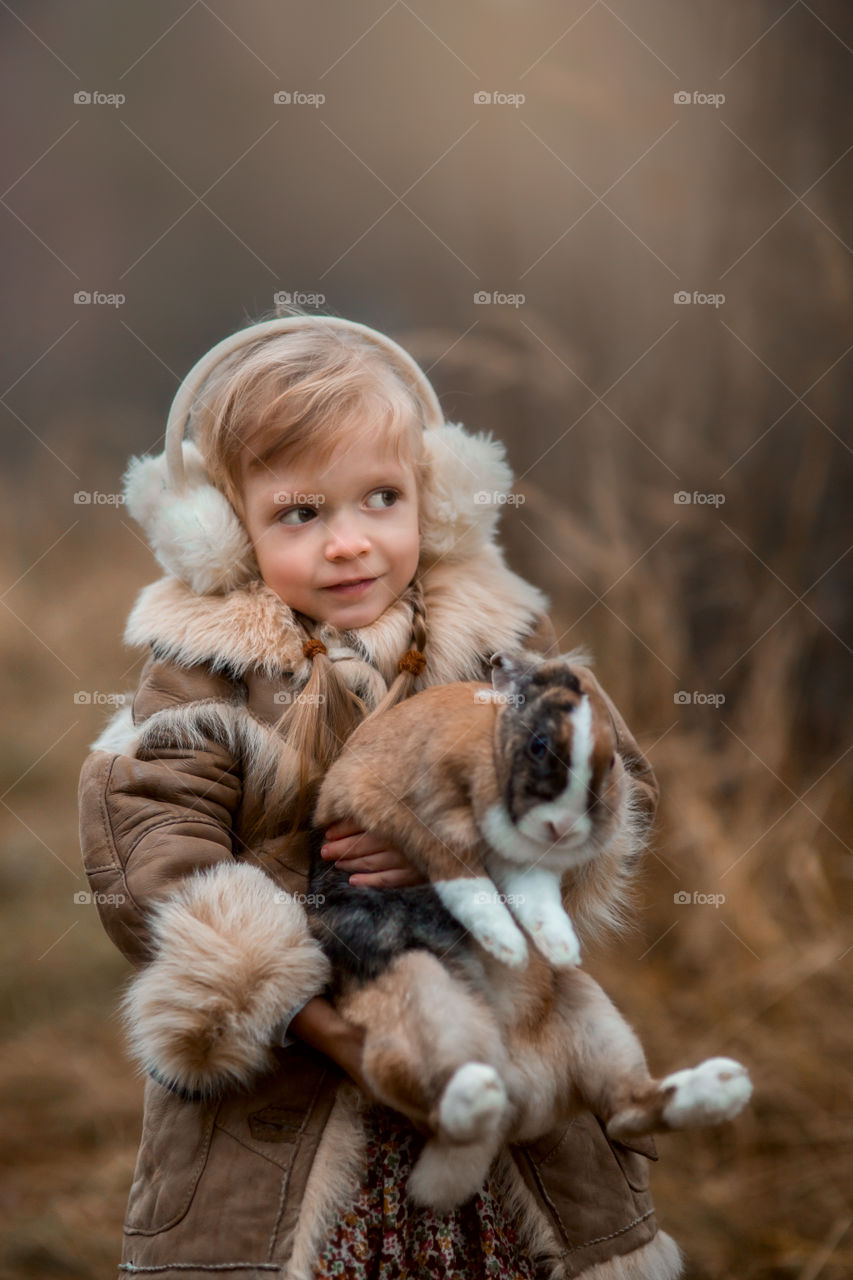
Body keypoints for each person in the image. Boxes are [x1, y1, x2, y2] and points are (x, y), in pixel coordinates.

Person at [77, 312, 682, 1280]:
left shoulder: (497, 643)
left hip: (490, 1054)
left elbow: (615, 780)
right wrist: (314, 1012)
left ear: (435, 499)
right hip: (301, 1081)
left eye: (381, 497)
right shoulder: (199, 676)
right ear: (222, 530)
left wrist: (473, 849)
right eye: (300, 513)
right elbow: (153, 850)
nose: (350, 542)